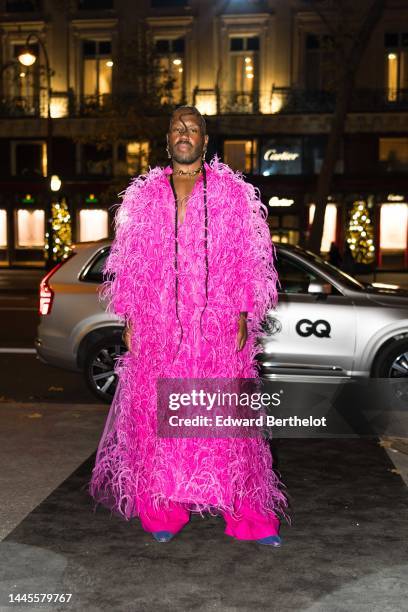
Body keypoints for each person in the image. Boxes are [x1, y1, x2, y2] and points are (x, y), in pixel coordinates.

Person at [89, 105, 288, 545]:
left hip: (215, 327)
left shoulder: (232, 193)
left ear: (204, 139)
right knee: (159, 419)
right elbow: (132, 263)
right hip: (160, 326)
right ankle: (162, 510)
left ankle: (248, 516)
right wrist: (132, 316)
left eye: (193, 128)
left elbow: (249, 260)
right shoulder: (143, 196)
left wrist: (241, 313)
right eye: (177, 127)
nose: (184, 133)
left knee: (225, 424)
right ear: (167, 139)